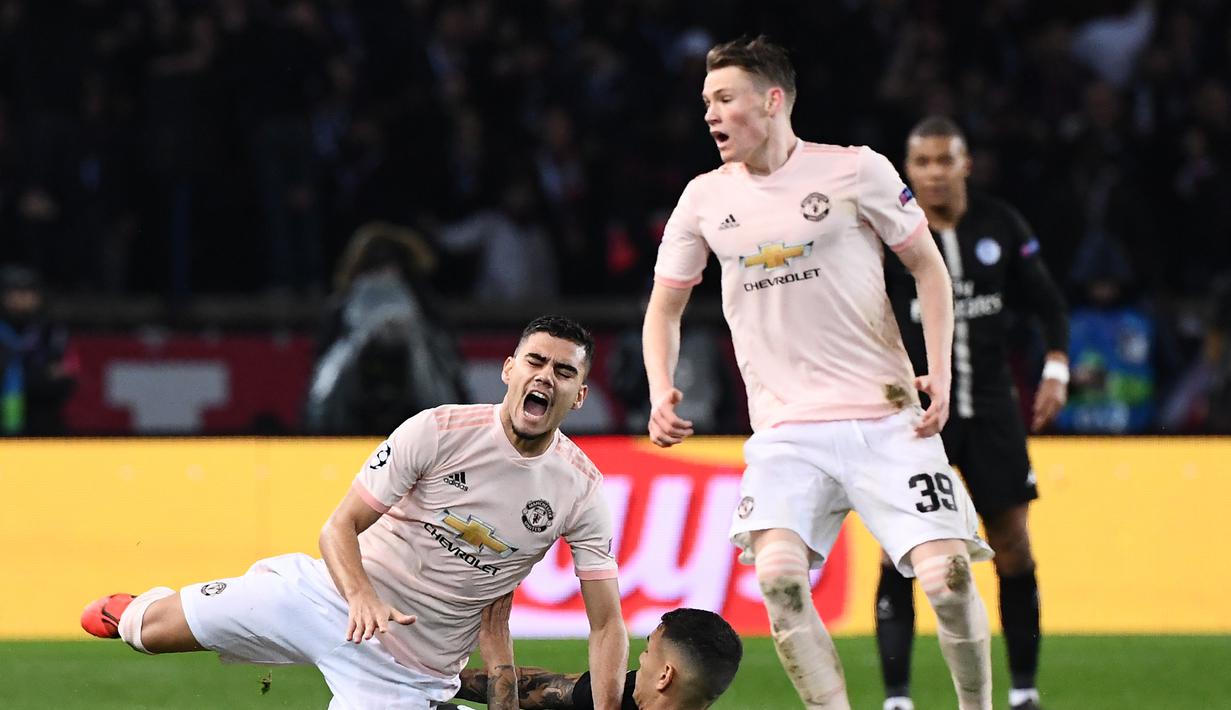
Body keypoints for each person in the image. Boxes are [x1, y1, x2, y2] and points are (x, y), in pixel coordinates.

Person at [641, 36, 995, 709]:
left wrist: (938, 371)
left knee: (947, 579)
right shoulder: (702, 199)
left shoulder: (856, 170)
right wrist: (661, 386)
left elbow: (928, 267)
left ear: (771, 102)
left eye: (724, 99)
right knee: (777, 582)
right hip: (786, 433)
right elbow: (663, 308)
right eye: (705, 102)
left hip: (889, 417)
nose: (710, 114)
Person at [81, 315, 629, 710]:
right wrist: (362, 597)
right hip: (327, 598)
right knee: (148, 630)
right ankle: (139, 611)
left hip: (408, 675)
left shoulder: (580, 491)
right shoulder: (437, 431)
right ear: (508, 370)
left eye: (563, 372)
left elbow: (606, 622)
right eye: (535, 361)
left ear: (578, 395)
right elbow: (339, 527)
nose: (544, 377)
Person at [878, 116, 1070, 710]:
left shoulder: (1001, 225)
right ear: (907, 171)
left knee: (1013, 545)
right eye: (922, 162)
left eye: (945, 160)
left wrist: (1057, 368)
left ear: (966, 165)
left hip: (992, 411)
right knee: (897, 551)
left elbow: (1048, 303)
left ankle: (1024, 692)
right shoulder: (888, 236)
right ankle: (898, 699)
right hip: (912, 418)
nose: (934, 173)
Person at [453, 593, 742, 710]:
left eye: (646, 653)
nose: (639, 661)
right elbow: (548, 689)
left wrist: (499, 660)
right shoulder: (630, 693)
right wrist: (439, 680)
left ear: (665, 676)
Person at [0, 264, 77, 435]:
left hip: (41, 422)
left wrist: (24, 379)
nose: (19, 298)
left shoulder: (50, 330)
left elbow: (64, 378)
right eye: (12, 292)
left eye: (26, 292)